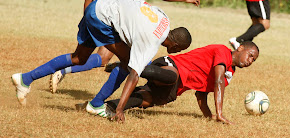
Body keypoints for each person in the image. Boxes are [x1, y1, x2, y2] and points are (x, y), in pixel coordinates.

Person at [11, 0, 192, 123]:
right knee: (129, 64)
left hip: (97, 8)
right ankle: (96, 104)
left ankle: (25, 79)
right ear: (175, 45)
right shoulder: (152, 43)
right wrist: (120, 108)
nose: (178, 53)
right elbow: (134, 76)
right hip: (103, 20)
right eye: (180, 49)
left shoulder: (164, 18)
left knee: (78, 58)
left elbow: (134, 5)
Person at [49, 0, 200, 94]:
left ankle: (69, 75)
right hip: (117, 19)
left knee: (103, 58)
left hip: (102, 14)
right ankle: (91, 94)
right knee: (113, 59)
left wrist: (86, 15)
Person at [77, 41, 259, 124]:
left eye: (254, 60)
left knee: (153, 100)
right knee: (173, 76)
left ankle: (105, 106)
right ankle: (129, 64)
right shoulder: (223, 52)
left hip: (175, 86)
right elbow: (217, 80)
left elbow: (201, 93)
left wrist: (209, 116)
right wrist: (220, 113)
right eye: (250, 55)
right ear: (240, 48)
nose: (250, 61)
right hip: (170, 66)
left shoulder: (229, 74)